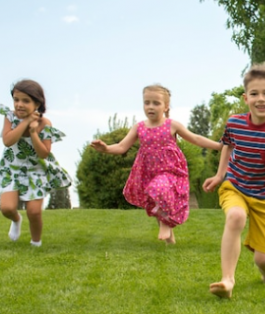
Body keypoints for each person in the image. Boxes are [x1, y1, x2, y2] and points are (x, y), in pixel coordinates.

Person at [202, 64, 265, 297]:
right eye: (255, 94)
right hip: (235, 186)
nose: (261, 99)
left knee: (263, 258)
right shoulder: (234, 123)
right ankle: (227, 280)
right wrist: (220, 175)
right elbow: (227, 145)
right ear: (245, 97)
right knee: (236, 216)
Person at [90, 84, 222, 244]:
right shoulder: (139, 127)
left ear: (166, 107)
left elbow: (195, 138)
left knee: (159, 188)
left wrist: (219, 146)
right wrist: (105, 148)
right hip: (148, 172)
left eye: (156, 103)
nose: (150, 107)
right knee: (155, 200)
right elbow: (121, 146)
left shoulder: (172, 125)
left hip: (171, 170)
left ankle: (166, 223)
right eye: (147, 103)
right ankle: (170, 241)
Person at [0, 79, 72, 247]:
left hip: (35, 170)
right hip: (11, 168)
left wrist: (32, 132)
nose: (19, 105)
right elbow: (8, 141)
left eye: (25, 100)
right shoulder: (9, 117)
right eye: (16, 100)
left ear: (37, 103)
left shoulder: (45, 124)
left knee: (34, 211)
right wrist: (24, 122)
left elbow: (44, 153)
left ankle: (35, 243)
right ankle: (16, 220)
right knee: (7, 208)